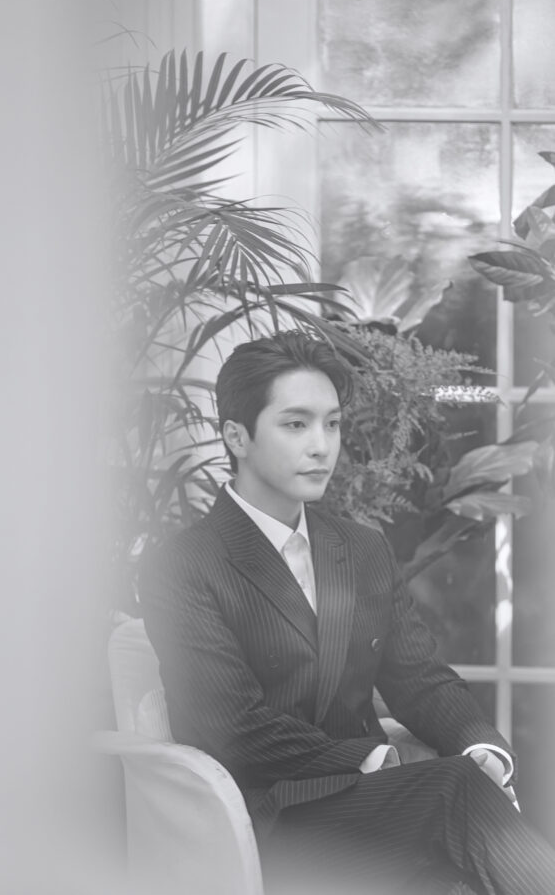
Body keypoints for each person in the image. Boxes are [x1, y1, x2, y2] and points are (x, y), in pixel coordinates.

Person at [140, 330, 555, 895]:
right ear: (237, 436)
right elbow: (235, 729)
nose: (322, 446)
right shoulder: (185, 564)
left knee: (459, 841)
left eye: (332, 424)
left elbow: (421, 681)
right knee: (454, 790)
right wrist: (375, 757)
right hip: (267, 820)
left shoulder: (362, 549)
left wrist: (482, 749)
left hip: (382, 809)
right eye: (296, 424)